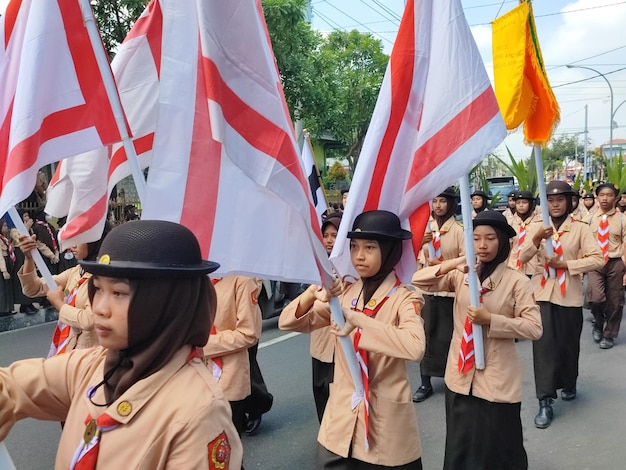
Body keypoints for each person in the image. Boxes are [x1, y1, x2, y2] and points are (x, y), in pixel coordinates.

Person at [0, 220, 243, 469]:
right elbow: (11, 386)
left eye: (118, 293)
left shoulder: (198, 412)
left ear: (164, 304)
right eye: (98, 290)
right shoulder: (90, 366)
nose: (100, 308)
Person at [280, 210, 426, 469]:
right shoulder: (346, 291)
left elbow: (415, 347)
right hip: (341, 423)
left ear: (390, 250)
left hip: (385, 428)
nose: (359, 256)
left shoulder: (405, 298)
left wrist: (359, 321)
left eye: (370, 247)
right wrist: (313, 294)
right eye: (354, 246)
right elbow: (288, 321)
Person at [412, 210, 542, 470]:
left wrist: (492, 320)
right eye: (476, 239)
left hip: (496, 377)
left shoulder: (517, 281)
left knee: (497, 444)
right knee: (461, 443)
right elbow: (418, 280)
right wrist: (456, 261)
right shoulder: (462, 275)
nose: (482, 245)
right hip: (460, 374)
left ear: (503, 241)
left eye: (490, 238)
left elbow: (533, 328)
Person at [519, 180, 603, 429]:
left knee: (568, 345)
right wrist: (535, 240)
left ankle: (569, 380)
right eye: (550, 200)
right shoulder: (536, 226)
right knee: (543, 348)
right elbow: (520, 259)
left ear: (569, 202)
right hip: (542, 294)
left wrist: (566, 265)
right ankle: (545, 400)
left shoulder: (580, 228)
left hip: (570, 295)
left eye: (559, 200)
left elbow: (597, 258)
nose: (555, 204)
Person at [17, 223, 112, 353]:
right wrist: (29, 258)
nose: (73, 245)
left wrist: (59, 304)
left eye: (79, 240)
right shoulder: (76, 272)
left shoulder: (104, 278)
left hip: (90, 356)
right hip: (68, 349)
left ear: (95, 241)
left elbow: (89, 320)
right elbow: (34, 288)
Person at [413, 187, 464, 403]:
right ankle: (425, 382)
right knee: (426, 335)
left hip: (449, 292)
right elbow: (409, 258)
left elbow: (465, 261)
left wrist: (441, 265)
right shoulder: (426, 228)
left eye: (443, 201)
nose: (438, 205)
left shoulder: (460, 230)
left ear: (451, 203)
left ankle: (450, 378)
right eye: (435, 201)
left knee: (448, 336)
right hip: (426, 290)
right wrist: (418, 242)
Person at [204, 275, 262, 436]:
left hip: (229, 373)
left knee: (227, 451)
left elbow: (249, 334)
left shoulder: (242, 280)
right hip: (196, 374)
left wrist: (202, 344)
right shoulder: (195, 278)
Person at [586, 182, 626, 349]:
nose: (605, 198)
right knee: (596, 298)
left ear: (615, 198)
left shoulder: (623, 220)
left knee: (615, 301)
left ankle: (609, 334)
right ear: (597, 197)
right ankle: (598, 322)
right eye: (602, 195)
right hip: (595, 262)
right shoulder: (589, 218)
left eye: (609, 195)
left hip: (615, 262)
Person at [311, 212, 342, 422]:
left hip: (342, 341)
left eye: (334, 235)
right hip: (320, 339)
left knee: (339, 392)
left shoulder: (351, 265)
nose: (329, 240)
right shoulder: (316, 263)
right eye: (326, 235)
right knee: (320, 387)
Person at [507, 191, 541, 277]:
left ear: (531, 204)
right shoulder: (511, 223)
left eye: (524, 202)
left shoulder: (539, 223)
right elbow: (507, 247)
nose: (521, 205)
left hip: (533, 268)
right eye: (518, 203)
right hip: (514, 267)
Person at [0, 219, 15, 317]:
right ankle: (2, 310)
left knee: (8, 288)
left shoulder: (4, 238)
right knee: (2, 290)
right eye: (4, 226)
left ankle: (8, 308)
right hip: (3, 266)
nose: (6, 228)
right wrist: (4, 270)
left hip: (7, 263)